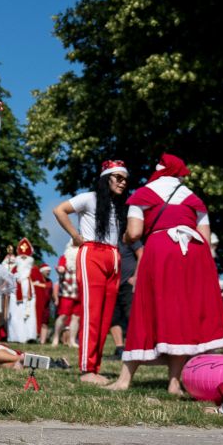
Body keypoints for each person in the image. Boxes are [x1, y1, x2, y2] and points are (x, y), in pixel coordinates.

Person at [106, 154, 223, 395]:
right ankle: (174, 382)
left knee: (146, 311)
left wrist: (126, 239)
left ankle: (124, 380)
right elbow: (205, 238)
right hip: (194, 255)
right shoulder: (194, 198)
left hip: (160, 252)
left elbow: (134, 231)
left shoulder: (142, 194)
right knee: (183, 314)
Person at [52, 159, 130, 384]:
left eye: (125, 179)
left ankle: (95, 367)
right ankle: (87, 369)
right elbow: (60, 210)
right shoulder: (89, 198)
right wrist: (75, 236)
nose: (123, 183)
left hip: (114, 257)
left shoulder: (119, 205)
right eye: (118, 178)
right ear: (107, 178)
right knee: (92, 312)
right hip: (92, 253)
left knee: (106, 316)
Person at [6, 238, 40, 343]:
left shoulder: (34, 269)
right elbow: (9, 281)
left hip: (29, 299)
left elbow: (40, 285)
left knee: (29, 317)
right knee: (16, 316)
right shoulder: (14, 269)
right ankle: (15, 337)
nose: (24, 258)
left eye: (26, 257)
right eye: (22, 257)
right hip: (16, 297)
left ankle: (29, 337)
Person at [52, 240, 81, 347]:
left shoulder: (83, 257)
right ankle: (56, 337)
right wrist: (60, 270)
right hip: (67, 291)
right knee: (63, 315)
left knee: (76, 317)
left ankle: (72, 340)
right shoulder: (65, 257)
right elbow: (61, 268)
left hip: (79, 290)